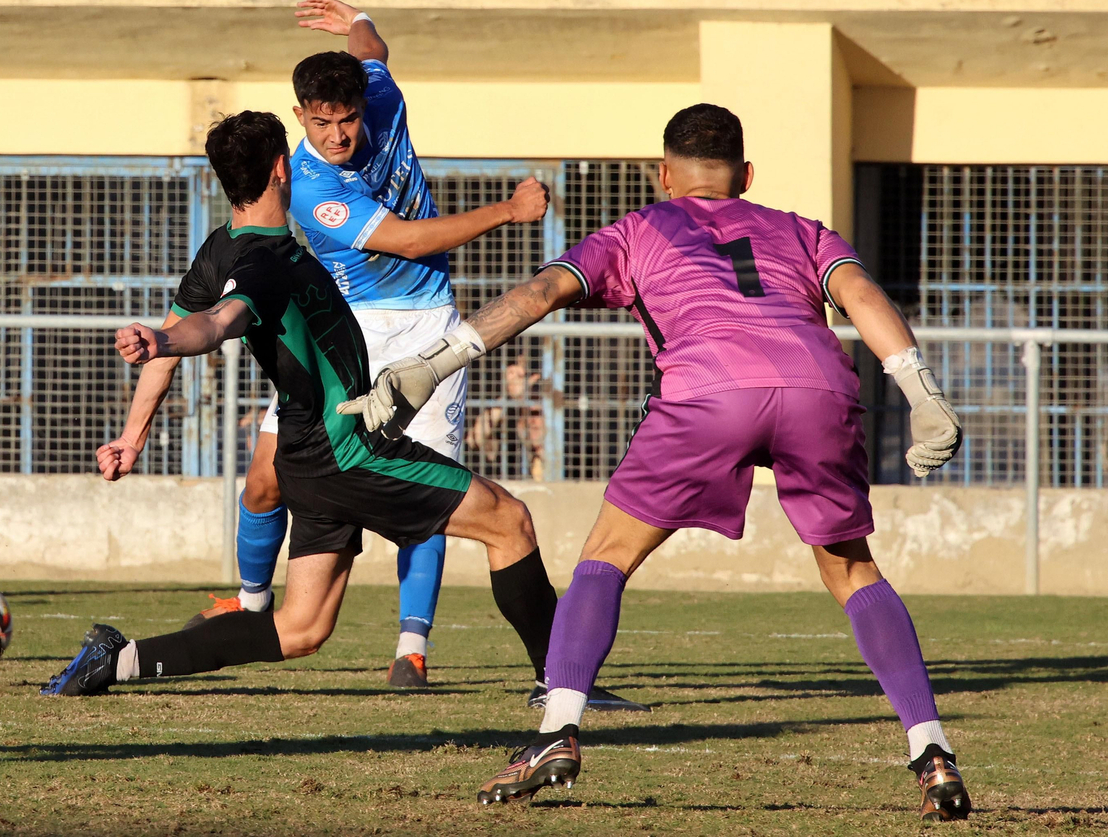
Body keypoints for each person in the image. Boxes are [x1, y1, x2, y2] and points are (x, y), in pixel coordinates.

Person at [340, 104, 971, 820]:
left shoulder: (638, 227)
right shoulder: (802, 230)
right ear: (747, 175)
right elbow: (859, 293)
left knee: (605, 556)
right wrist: (922, 392)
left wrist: (431, 364)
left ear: (663, 174)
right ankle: (932, 751)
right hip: (818, 389)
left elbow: (542, 292)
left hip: (708, 392)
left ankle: (556, 733)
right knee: (853, 570)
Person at [43, 110, 559, 704]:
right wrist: (166, 342)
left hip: (307, 456)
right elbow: (216, 324)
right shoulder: (267, 263)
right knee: (508, 520)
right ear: (283, 169)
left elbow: (182, 328)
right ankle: (563, 683)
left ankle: (118, 661)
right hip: (347, 450)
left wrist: (133, 437)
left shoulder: (222, 247)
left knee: (301, 629)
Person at [160, 0, 552, 691]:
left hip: (426, 323)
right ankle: (253, 607)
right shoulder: (310, 186)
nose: (338, 134)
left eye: (345, 120)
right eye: (321, 122)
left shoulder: (381, 95)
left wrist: (357, 18)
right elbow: (407, 238)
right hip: (350, 329)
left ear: (360, 105)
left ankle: (412, 647)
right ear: (300, 116)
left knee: (431, 487)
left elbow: (374, 51)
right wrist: (509, 212)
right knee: (265, 476)